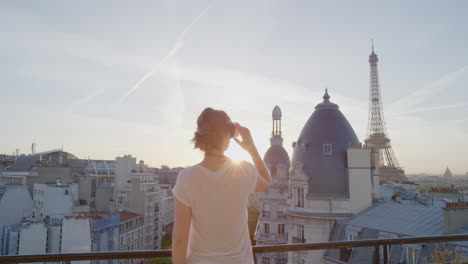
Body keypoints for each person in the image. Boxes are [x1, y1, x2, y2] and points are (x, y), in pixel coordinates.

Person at [171, 107, 272, 264]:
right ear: (229, 135)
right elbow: (266, 182)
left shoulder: (186, 178)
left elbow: (179, 240)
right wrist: (251, 147)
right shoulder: (243, 171)